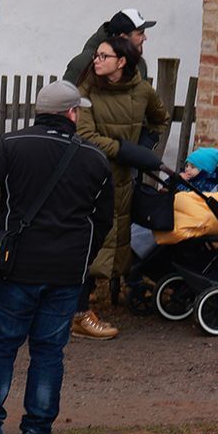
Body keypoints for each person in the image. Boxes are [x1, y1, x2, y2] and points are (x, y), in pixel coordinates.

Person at [0, 81, 114, 434]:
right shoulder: (95, 159)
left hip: (14, 267)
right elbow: (103, 219)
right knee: (49, 351)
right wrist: (81, 256)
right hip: (65, 274)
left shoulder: (12, 145)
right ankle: (36, 432)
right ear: (71, 113)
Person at [73, 33, 167, 339]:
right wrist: (124, 150)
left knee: (114, 240)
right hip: (90, 176)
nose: (96, 61)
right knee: (85, 244)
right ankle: (79, 313)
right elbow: (84, 135)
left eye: (103, 56)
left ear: (122, 61)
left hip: (124, 179)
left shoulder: (142, 91)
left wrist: (146, 143)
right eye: (96, 56)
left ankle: (90, 305)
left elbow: (160, 118)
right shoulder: (86, 91)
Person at [63, 8, 155, 86]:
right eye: (140, 34)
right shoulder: (83, 64)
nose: (145, 38)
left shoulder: (139, 65)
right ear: (123, 38)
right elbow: (64, 102)